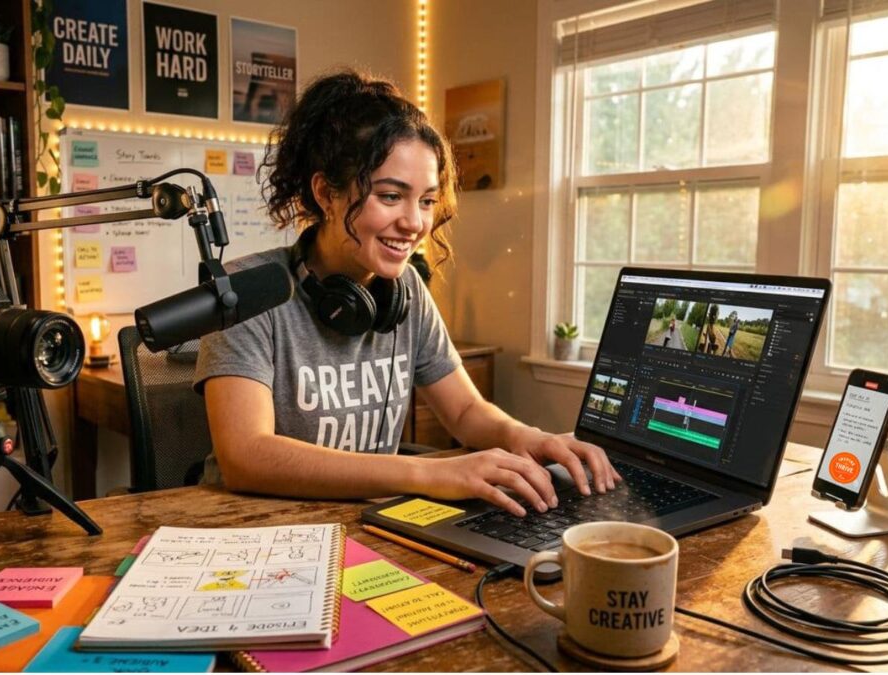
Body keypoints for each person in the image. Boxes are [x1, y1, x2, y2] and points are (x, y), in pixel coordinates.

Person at [192, 70, 621, 516]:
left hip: (365, 524)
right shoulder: (246, 290)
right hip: (249, 530)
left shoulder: (406, 290)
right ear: (326, 193)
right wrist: (427, 473)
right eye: (391, 196)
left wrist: (529, 437)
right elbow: (245, 456)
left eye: (427, 201)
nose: (415, 223)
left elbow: (465, 412)